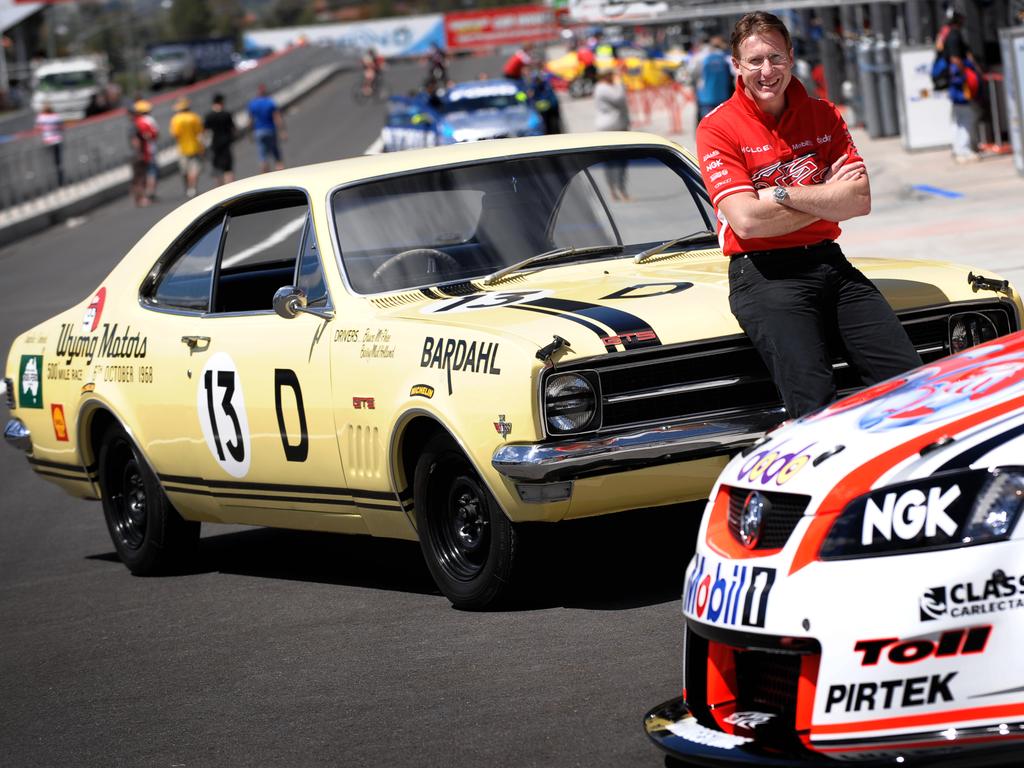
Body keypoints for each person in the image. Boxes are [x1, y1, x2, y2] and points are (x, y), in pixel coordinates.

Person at [695, 11, 921, 418]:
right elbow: (745, 220)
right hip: (763, 275)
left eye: (776, 58)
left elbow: (859, 201)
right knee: (815, 406)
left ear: (792, 57)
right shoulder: (718, 128)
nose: (768, 71)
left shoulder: (824, 114)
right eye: (755, 61)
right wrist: (826, 195)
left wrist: (778, 194)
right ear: (737, 66)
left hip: (829, 261)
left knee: (909, 385)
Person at [935, 12, 982, 163]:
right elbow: (956, 58)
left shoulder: (945, 34)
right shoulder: (954, 35)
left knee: (959, 116)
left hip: (954, 82)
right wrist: (966, 76)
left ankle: (958, 149)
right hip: (960, 82)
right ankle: (964, 150)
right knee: (967, 116)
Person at [593, 67, 631, 200]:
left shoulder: (611, 86)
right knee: (611, 161)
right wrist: (620, 83)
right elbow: (619, 98)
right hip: (609, 128)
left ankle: (621, 188)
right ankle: (614, 189)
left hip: (619, 125)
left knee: (622, 160)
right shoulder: (602, 88)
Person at [690, 35, 734, 129]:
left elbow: (693, 74)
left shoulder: (700, 57)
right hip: (723, 95)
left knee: (707, 124)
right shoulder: (726, 57)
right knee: (723, 123)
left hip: (705, 97)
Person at [169, 97, 204, 198]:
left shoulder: (176, 119)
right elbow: (200, 133)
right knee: (194, 169)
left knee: (185, 170)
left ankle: (188, 187)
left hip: (182, 148)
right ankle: (192, 188)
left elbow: (174, 135)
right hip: (195, 147)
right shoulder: (194, 117)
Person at [248, 83, 285, 173]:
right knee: (276, 155)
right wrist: (282, 131)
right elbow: (277, 118)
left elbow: (250, 121)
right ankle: (282, 176)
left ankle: (264, 179)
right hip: (270, 130)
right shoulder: (270, 102)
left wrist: (249, 134)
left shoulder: (252, 104)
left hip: (259, 132)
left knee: (263, 157)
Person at [129, 100, 158, 206]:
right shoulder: (137, 124)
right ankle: (141, 199)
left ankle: (139, 199)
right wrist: (140, 153)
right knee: (140, 178)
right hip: (139, 154)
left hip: (138, 154)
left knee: (138, 178)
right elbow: (136, 140)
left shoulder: (135, 124)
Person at [204, 93, 237, 186]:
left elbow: (205, 132)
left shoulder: (209, 116)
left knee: (217, 168)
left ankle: (219, 189)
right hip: (226, 143)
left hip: (215, 144)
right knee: (228, 169)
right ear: (221, 102)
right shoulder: (226, 114)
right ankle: (230, 188)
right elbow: (233, 129)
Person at [34, 102, 65, 187]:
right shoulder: (55, 116)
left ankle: (52, 183)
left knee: (48, 164)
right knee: (58, 163)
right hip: (57, 141)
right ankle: (60, 181)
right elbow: (62, 127)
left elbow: (38, 128)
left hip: (47, 141)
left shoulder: (41, 117)